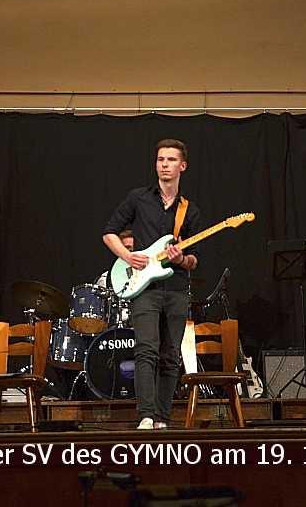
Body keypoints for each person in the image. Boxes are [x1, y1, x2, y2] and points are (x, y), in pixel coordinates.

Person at [103, 139, 200, 429]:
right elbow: (109, 232)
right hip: (145, 288)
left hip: (177, 288)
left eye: (171, 160)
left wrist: (182, 258)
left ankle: (162, 418)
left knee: (170, 356)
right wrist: (127, 256)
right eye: (160, 159)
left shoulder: (189, 210)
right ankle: (146, 415)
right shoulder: (138, 198)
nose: (164, 165)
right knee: (146, 349)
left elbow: (194, 260)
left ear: (183, 166)